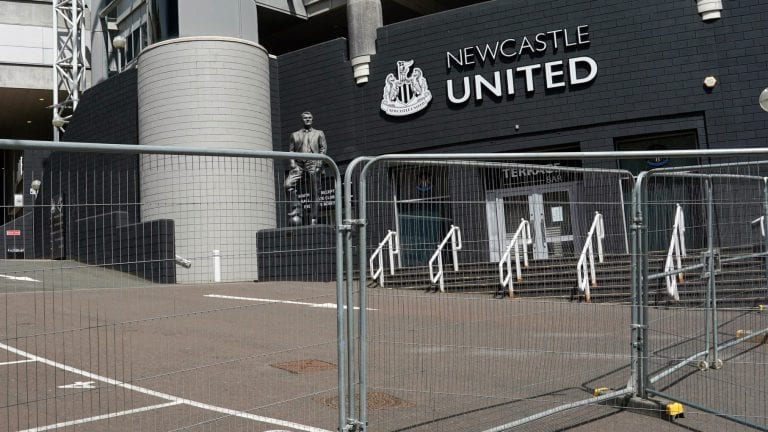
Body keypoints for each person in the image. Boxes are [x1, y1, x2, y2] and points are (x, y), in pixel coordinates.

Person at [285, 111, 327, 225]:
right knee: (288, 185)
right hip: (299, 164)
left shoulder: (319, 133)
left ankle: (314, 218)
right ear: (302, 120)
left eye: (309, 118)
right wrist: (292, 163)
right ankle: (297, 207)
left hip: (313, 163)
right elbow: (291, 151)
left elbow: (323, 149)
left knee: (315, 192)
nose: (307, 119)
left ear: (312, 120)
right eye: (305, 118)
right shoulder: (294, 135)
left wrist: (319, 162)